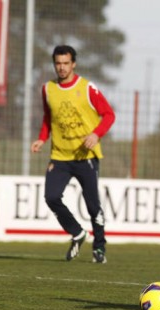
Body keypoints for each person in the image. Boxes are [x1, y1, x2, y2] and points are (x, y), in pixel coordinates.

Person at [31, 45, 115, 264]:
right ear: (54, 64)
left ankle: (99, 248)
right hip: (59, 156)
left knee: (92, 205)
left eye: (66, 63)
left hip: (85, 156)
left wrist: (96, 134)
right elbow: (48, 118)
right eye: (58, 63)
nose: (61, 67)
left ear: (73, 64)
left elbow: (108, 115)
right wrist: (42, 138)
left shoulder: (87, 88)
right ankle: (77, 233)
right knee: (51, 197)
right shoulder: (48, 89)